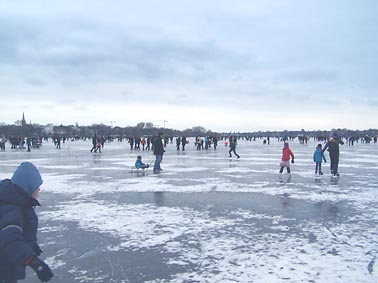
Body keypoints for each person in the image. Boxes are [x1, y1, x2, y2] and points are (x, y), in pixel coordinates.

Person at [0, 162, 54, 283]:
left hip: (8, 263)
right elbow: (10, 238)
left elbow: (20, 231)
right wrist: (32, 260)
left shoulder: (18, 201)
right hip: (4, 266)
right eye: (36, 186)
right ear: (27, 187)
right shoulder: (11, 207)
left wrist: (30, 244)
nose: (39, 189)